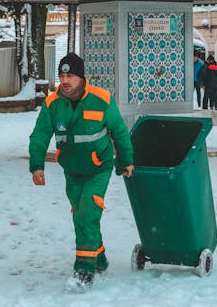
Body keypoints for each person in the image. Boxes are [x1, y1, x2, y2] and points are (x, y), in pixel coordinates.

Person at [29, 52, 134, 293]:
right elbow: (40, 135)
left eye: (70, 76)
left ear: (82, 78)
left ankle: (84, 272)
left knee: (87, 213)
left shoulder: (102, 99)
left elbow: (119, 131)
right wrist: (37, 165)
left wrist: (126, 161)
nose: (65, 80)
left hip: (99, 169)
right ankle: (100, 260)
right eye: (62, 75)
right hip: (72, 170)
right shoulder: (52, 104)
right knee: (81, 216)